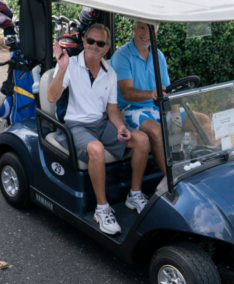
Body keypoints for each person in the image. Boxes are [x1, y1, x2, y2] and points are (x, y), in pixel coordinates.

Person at [47, 23, 150, 235]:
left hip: (101, 123)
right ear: (83, 42)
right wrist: (62, 68)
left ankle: (135, 194)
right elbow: (51, 97)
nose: (94, 46)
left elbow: (112, 109)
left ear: (107, 48)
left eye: (100, 43)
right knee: (96, 149)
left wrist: (121, 127)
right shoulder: (70, 64)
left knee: (141, 140)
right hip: (75, 125)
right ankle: (102, 209)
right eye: (90, 41)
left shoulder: (109, 73)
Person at [112, 20, 212, 180]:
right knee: (156, 130)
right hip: (131, 109)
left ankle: (208, 170)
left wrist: (175, 115)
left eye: (151, 30)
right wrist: (151, 94)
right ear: (134, 29)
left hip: (156, 106)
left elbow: (166, 89)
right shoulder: (122, 56)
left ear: (156, 33)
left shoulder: (158, 55)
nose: (146, 34)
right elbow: (127, 92)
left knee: (203, 120)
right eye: (142, 28)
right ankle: (174, 180)